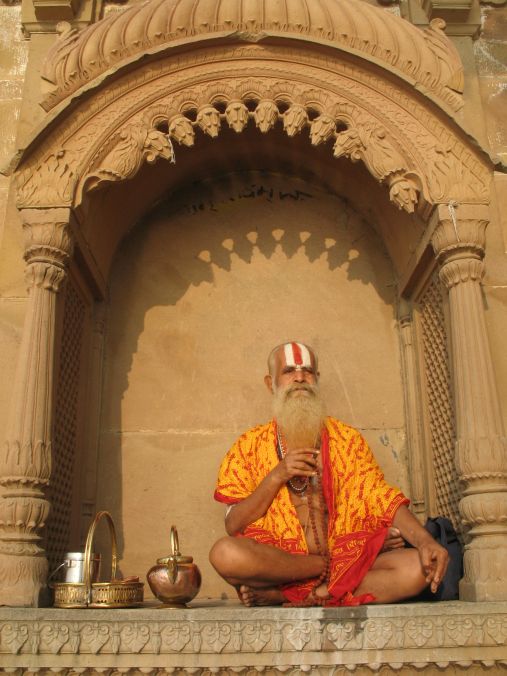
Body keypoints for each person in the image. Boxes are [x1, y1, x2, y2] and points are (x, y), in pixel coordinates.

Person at [209, 341, 449, 607]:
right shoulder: (249, 446)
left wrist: (425, 541)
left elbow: (381, 497)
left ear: (317, 379)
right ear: (270, 383)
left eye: (307, 371)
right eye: (289, 371)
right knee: (225, 553)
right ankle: (313, 576)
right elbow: (233, 524)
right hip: (280, 569)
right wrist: (277, 475)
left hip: (346, 565)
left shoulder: (346, 440)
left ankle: (297, 595)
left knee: (418, 569)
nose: (300, 377)